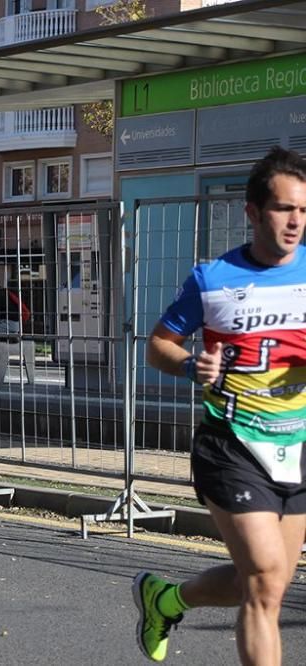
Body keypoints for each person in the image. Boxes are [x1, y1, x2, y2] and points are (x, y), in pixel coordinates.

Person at [134, 146, 306, 664]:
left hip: (295, 445)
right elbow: (158, 345)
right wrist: (191, 365)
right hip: (231, 444)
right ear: (253, 212)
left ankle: (167, 599)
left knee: (269, 584)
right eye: (283, 209)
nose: (295, 221)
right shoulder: (214, 279)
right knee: (261, 580)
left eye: (303, 209)